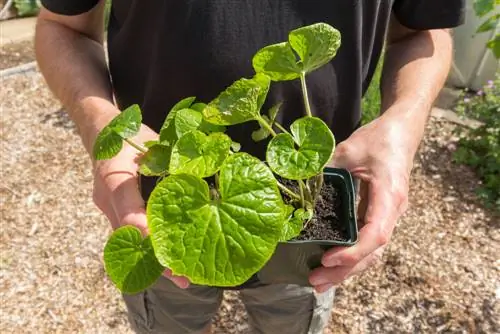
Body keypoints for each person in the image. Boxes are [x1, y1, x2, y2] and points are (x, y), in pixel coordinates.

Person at [35, 1, 465, 333]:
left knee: (292, 316)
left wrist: (403, 123)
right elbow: (62, 26)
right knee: (170, 317)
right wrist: (102, 125)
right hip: (155, 205)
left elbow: (423, 29)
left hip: (312, 216)